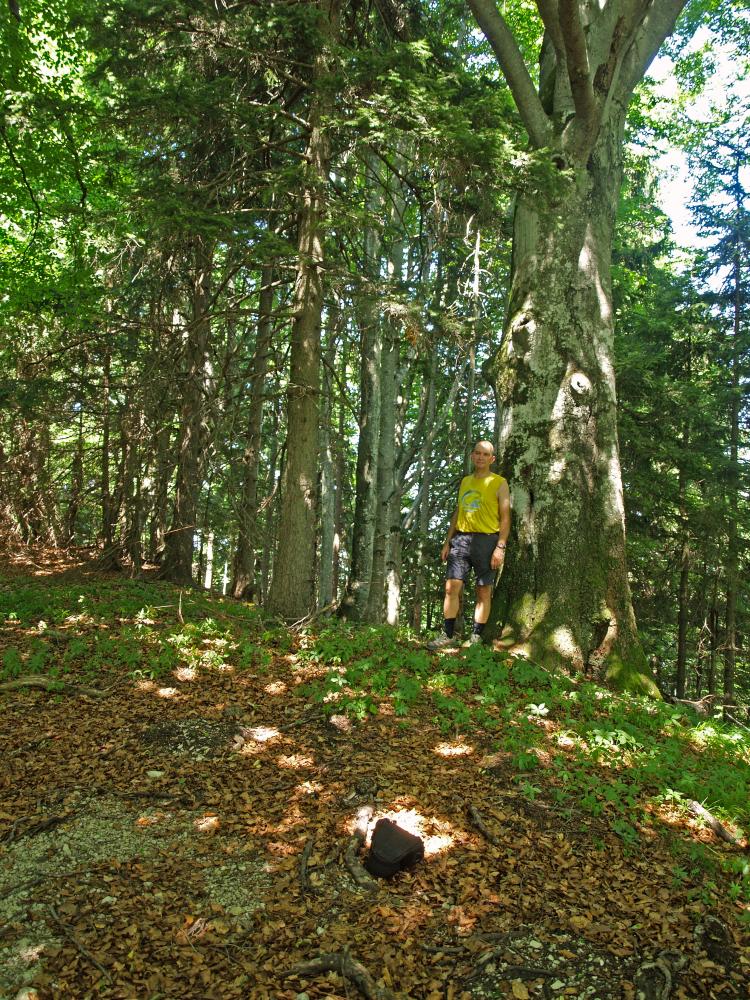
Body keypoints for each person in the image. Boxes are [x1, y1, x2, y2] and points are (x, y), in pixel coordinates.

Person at [427, 440, 511, 650]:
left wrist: (500, 547)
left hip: (487, 540)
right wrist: (448, 542)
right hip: (461, 540)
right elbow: (458, 512)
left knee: (483, 590)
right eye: (477, 453)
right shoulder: (466, 481)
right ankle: (447, 634)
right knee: (450, 588)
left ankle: (475, 636)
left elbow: (505, 517)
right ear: (472, 456)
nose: (480, 457)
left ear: (491, 459)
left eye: (485, 454)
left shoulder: (499, 482)